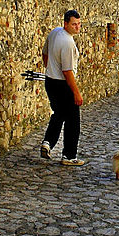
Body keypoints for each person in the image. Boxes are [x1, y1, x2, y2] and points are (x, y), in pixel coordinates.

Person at [40, 9, 85, 166]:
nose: (77, 27)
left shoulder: (55, 33)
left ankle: (47, 142)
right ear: (66, 24)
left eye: (79, 24)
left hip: (50, 81)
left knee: (59, 114)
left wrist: (49, 68)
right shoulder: (68, 43)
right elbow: (67, 71)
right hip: (62, 84)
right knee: (73, 120)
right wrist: (76, 93)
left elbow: (44, 53)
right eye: (74, 24)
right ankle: (69, 156)